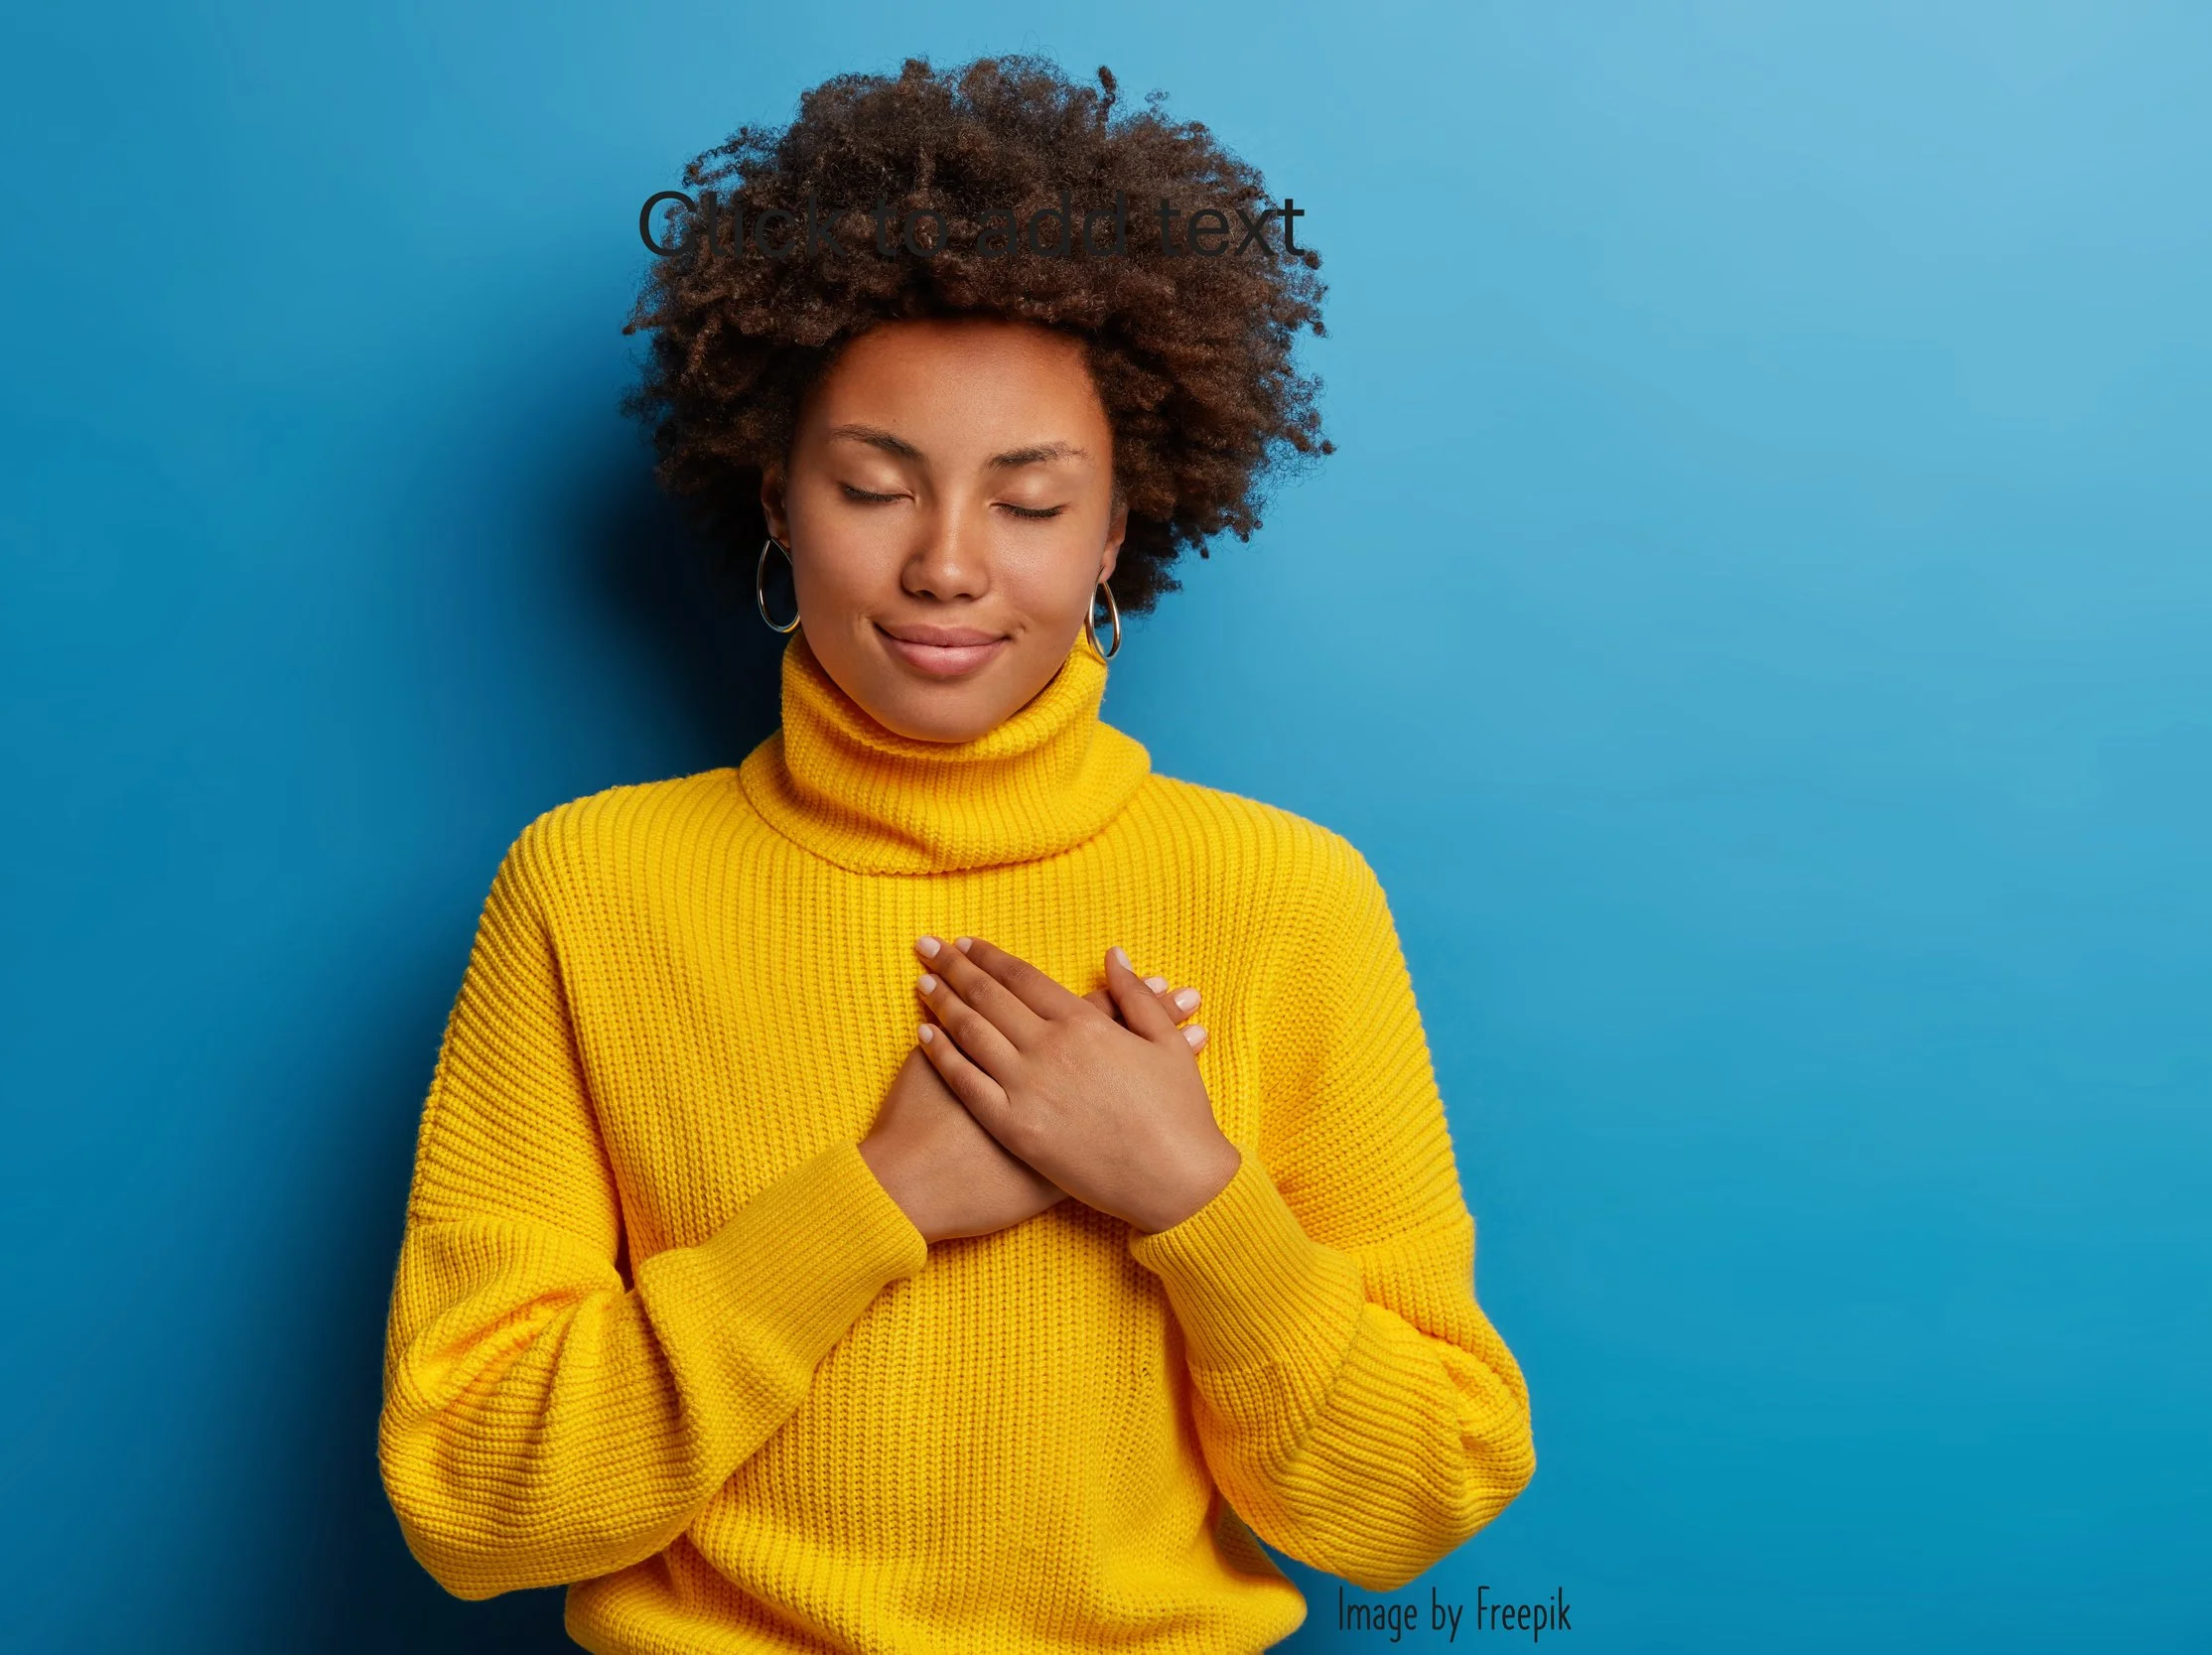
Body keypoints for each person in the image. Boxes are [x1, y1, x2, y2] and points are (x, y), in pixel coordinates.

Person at [377, 55, 1534, 1654]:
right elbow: (473, 1501)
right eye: (873, 485)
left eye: (1033, 502)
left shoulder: (1287, 898)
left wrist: (1191, 1192)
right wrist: (871, 1203)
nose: (945, 565)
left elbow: (1415, 1497)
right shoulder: (591, 888)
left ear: (1120, 529)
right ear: (776, 496)